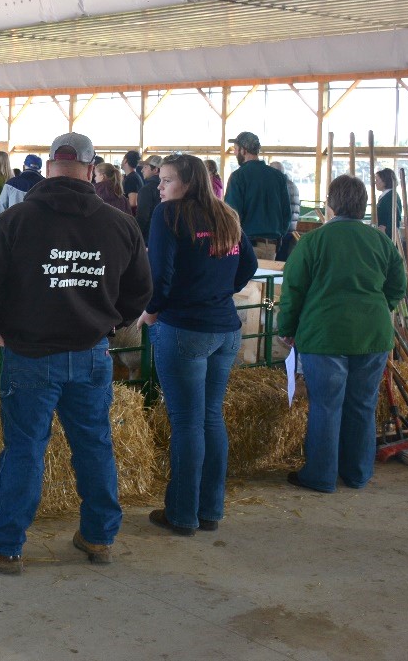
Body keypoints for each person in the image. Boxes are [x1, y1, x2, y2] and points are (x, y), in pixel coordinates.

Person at [0, 132, 152, 574]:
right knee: (94, 444)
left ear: (49, 167)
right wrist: (109, 323)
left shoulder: (14, 220)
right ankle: (99, 536)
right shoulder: (120, 223)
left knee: (25, 449)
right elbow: (141, 290)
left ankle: (6, 545)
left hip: (30, 354)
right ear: (91, 170)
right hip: (91, 353)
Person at [137, 154, 256, 535]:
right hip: (225, 329)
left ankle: (182, 514)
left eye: (167, 180)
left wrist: (152, 311)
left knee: (187, 422)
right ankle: (210, 511)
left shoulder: (169, 216)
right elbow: (248, 266)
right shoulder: (226, 215)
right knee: (210, 416)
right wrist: (219, 292)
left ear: (188, 182)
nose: (160, 187)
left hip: (184, 328)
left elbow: (161, 274)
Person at [276, 175, 406, 493]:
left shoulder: (313, 241)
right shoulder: (381, 242)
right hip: (372, 335)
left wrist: (287, 329)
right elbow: (397, 287)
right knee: (362, 404)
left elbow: (293, 290)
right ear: (364, 206)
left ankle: (320, 476)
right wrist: (377, 307)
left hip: (325, 335)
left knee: (326, 406)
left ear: (330, 205)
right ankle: (358, 472)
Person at [223, 132, 291, 261]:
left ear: (244, 150)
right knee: (265, 281)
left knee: (246, 282)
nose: (234, 153)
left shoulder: (238, 177)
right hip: (271, 247)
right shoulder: (278, 176)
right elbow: (287, 214)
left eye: (236, 149)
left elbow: (232, 214)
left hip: (246, 245)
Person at [0, 154, 43, 219]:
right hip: (38, 227)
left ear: (24, 167)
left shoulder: (11, 184)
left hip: (14, 226)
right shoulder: (46, 184)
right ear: (40, 169)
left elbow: (0, 210)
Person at [270, 161, 301, 261]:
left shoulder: (280, 185)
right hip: (291, 228)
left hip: (281, 230)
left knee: (278, 260)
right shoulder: (293, 185)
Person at [135, 155, 164, 240]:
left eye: (145, 167)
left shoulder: (146, 190)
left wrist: (135, 236)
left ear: (155, 170)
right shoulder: (168, 188)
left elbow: (142, 217)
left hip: (148, 236)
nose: (142, 170)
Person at [373, 168, 402, 240]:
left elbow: (396, 216)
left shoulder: (390, 197)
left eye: (377, 180)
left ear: (384, 182)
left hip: (388, 237)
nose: (375, 183)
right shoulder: (387, 195)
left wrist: (387, 231)